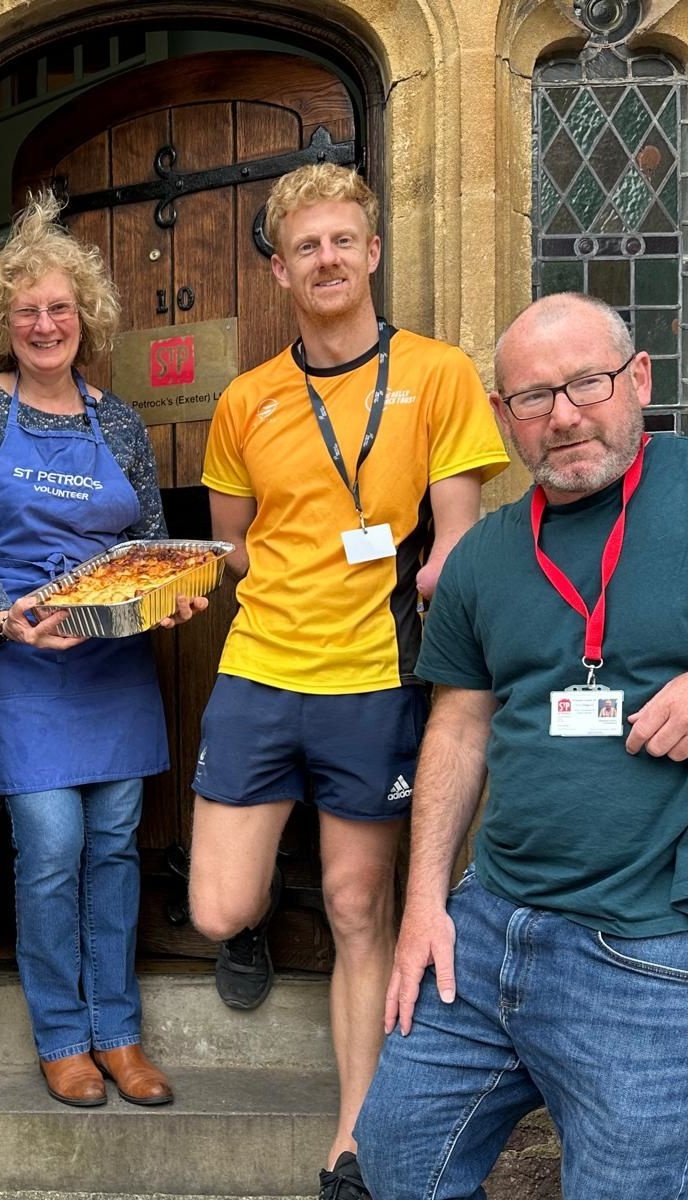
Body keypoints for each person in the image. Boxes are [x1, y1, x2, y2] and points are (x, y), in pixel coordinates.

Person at [185, 163, 510, 1198]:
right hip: (261, 668)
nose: (326, 259)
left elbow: (457, 531)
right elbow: (231, 540)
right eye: (305, 247)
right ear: (279, 270)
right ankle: (254, 932)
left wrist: (438, 581)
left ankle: (353, 1142)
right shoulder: (246, 398)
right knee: (213, 909)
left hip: (377, 676)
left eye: (343, 240)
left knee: (361, 907)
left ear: (371, 251)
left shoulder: (440, 371)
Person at [358, 292, 688, 1198]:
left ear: (640, 379)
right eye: (535, 398)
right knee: (396, 1155)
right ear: (503, 419)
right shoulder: (482, 559)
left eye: (588, 382)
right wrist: (425, 905)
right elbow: (458, 730)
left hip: (649, 949)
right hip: (488, 923)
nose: (565, 415)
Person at [0, 193, 204, 1110]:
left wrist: (168, 594)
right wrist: (2, 616)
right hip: (21, 662)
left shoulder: (119, 420)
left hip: (111, 664)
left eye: (59, 308)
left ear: (84, 316)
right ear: (2, 324)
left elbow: (154, 541)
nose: (44, 324)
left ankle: (119, 1034)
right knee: (51, 845)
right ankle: (63, 1036)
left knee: (117, 846)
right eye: (26, 311)